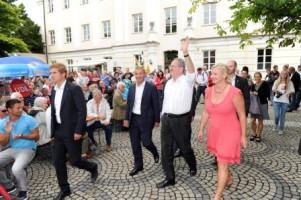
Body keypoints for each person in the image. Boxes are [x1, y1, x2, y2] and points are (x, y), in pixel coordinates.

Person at [198, 63, 248, 200]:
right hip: (214, 131)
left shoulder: (235, 92)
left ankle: (217, 196)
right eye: (211, 74)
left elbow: (242, 115)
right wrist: (201, 129)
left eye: (215, 74)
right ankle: (229, 177)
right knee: (221, 160)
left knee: (222, 164)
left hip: (230, 132)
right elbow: (206, 111)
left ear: (224, 75)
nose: (211, 76)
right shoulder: (208, 91)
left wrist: (244, 136)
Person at [50, 63, 98, 200]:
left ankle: (92, 167)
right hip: (58, 131)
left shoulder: (73, 89)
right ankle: (65, 189)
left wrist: (78, 130)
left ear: (63, 74)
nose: (51, 75)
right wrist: (53, 133)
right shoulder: (54, 90)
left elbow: (82, 111)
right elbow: (54, 112)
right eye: (51, 72)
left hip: (71, 131)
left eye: (54, 72)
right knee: (58, 161)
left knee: (75, 160)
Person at [157, 38, 197, 188]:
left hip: (181, 121)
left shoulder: (187, 81)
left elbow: (192, 70)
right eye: (170, 66)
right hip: (167, 120)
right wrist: (162, 116)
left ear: (181, 68)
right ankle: (170, 177)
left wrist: (185, 53)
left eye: (173, 66)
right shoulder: (167, 83)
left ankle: (192, 165)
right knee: (166, 149)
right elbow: (165, 101)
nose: (170, 68)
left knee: (185, 148)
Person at [0, 99, 40, 200]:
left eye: (21, 107)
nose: (21, 110)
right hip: (12, 149)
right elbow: (3, 142)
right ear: (9, 109)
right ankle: (9, 187)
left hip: (28, 149)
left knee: (16, 169)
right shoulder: (3, 123)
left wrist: (23, 137)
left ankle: (23, 191)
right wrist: (8, 132)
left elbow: (37, 136)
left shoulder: (29, 119)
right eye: (18, 108)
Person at [124, 67, 160, 176]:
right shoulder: (132, 87)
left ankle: (155, 152)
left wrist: (157, 119)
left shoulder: (151, 87)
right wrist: (126, 118)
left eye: (141, 73)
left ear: (144, 74)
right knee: (135, 143)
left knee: (146, 142)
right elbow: (129, 104)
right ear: (134, 75)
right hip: (133, 118)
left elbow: (156, 105)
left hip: (146, 119)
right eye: (137, 74)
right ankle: (138, 165)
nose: (139, 75)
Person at [272, 70, 295, 134]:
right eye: (282, 73)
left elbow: (293, 90)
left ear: (287, 74)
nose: (283, 74)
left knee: (282, 116)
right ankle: (276, 124)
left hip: (285, 101)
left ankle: (281, 129)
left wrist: (289, 93)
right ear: (280, 74)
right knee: (277, 115)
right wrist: (276, 90)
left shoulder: (289, 82)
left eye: (285, 73)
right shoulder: (277, 81)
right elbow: (273, 88)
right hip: (276, 100)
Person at [249, 72, 270, 142]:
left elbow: (267, 94)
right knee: (252, 121)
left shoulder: (265, 84)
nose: (257, 78)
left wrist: (258, 93)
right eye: (255, 77)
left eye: (258, 77)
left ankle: (258, 135)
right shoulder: (253, 85)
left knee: (260, 120)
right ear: (254, 78)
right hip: (254, 105)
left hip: (262, 104)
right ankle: (254, 133)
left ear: (261, 77)